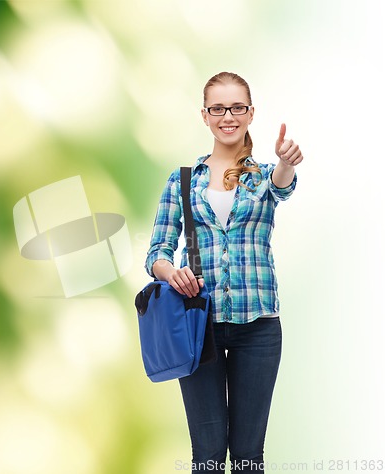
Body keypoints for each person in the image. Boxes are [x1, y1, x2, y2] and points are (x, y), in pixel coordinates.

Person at [144, 72, 303, 473]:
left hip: (258, 326)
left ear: (250, 114)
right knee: (209, 456)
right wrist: (170, 273)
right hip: (199, 328)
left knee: (249, 456)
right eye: (218, 108)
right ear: (205, 115)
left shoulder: (264, 176)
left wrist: (285, 161)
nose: (227, 116)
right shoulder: (183, 181)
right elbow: (157, 252)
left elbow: (284, 186)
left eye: (236, 107)